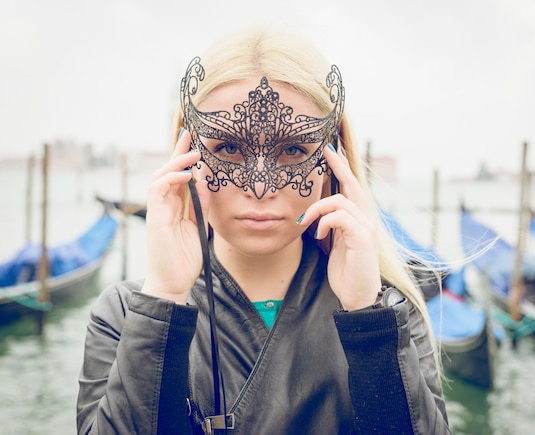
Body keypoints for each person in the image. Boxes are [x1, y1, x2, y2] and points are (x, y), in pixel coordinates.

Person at [77, 25, 451, 434]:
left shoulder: (388, 312)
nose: (260, 187)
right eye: (228, 148)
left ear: (333, 160)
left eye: (293, 150)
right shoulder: (125, 315)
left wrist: (366, 315)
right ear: (187, 153)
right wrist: (164, 299)